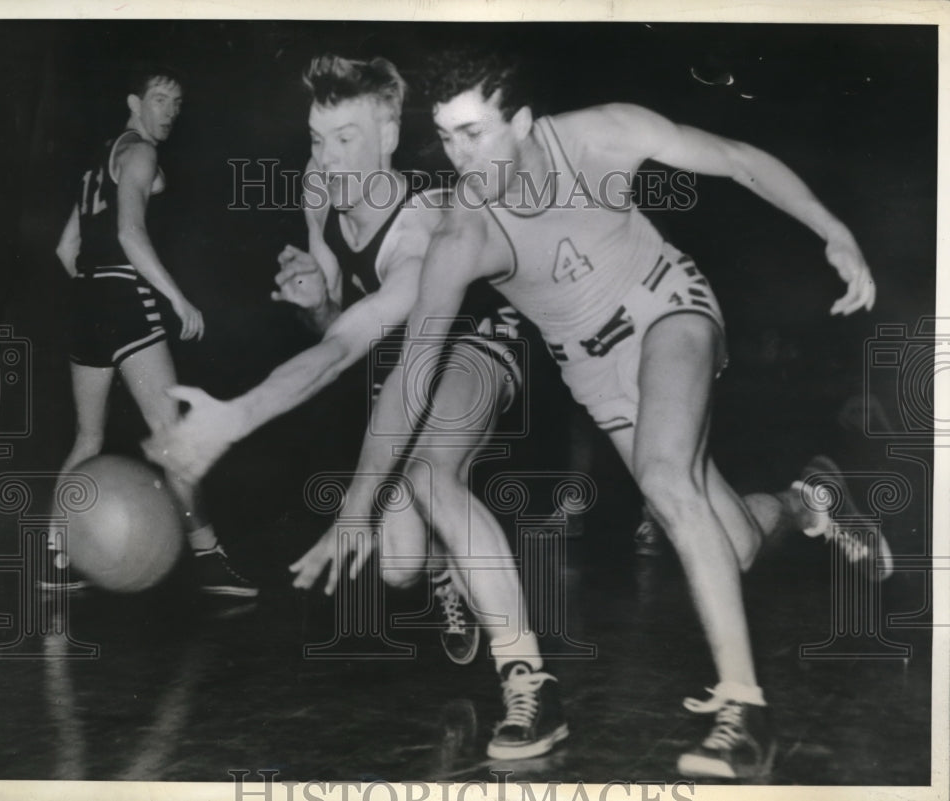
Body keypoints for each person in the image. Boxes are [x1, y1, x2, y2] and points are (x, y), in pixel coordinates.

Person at [309, 47, 882, 780]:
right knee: (728, 544)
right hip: (595, 367)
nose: (460, 156)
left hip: (668, 307)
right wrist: (359, 499)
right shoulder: (463, 231)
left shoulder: (601, 136)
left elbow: (738, 158)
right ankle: (809, 500)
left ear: (520, 122)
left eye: (475, 133)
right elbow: (415, 372)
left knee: (665, 476)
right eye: (448, 137)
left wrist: (831, 228)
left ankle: (745, 712)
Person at [144, 55, 567, 760]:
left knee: (432, 473)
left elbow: (342, 354)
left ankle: (529, 679)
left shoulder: (421, 230)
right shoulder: (319, 191)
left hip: (479, 342)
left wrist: (235, 416)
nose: (327, 158)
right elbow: (340, 327)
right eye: (317, 137)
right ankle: (445, 569)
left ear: (388, 138)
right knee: (399, 565)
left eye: (346, 139)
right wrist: (318, 301)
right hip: (402, 366)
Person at [46, 65, 257, 597]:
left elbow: (65, 249)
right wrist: (176, 297)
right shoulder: (140, 152)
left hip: (85, 306)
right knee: (172, 439)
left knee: (88, 438)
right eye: (160, 99)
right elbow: (129, 232)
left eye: (176, 104)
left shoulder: (102, 158)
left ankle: (54, 557)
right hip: (123, 299)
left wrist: (96, 291)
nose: (169, 111)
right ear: (134, 102)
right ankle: (209, 558)